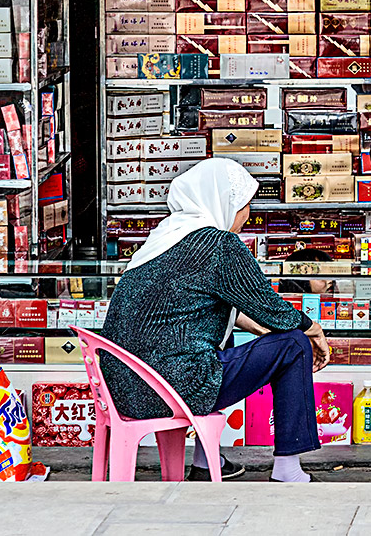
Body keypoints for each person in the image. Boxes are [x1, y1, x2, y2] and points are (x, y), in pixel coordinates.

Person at [101, 157, 330, 483]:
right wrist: (313, 328)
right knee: (292, 344)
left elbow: (184, 306)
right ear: (224, 202)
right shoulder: (217, 244)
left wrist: (249, 324)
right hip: (174, 387)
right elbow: (270, 308)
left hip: (125, 388)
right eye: (245, 205)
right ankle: (288, 470)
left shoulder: (164, 237)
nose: (247, 217)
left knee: (223, 334)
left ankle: (207, 461)